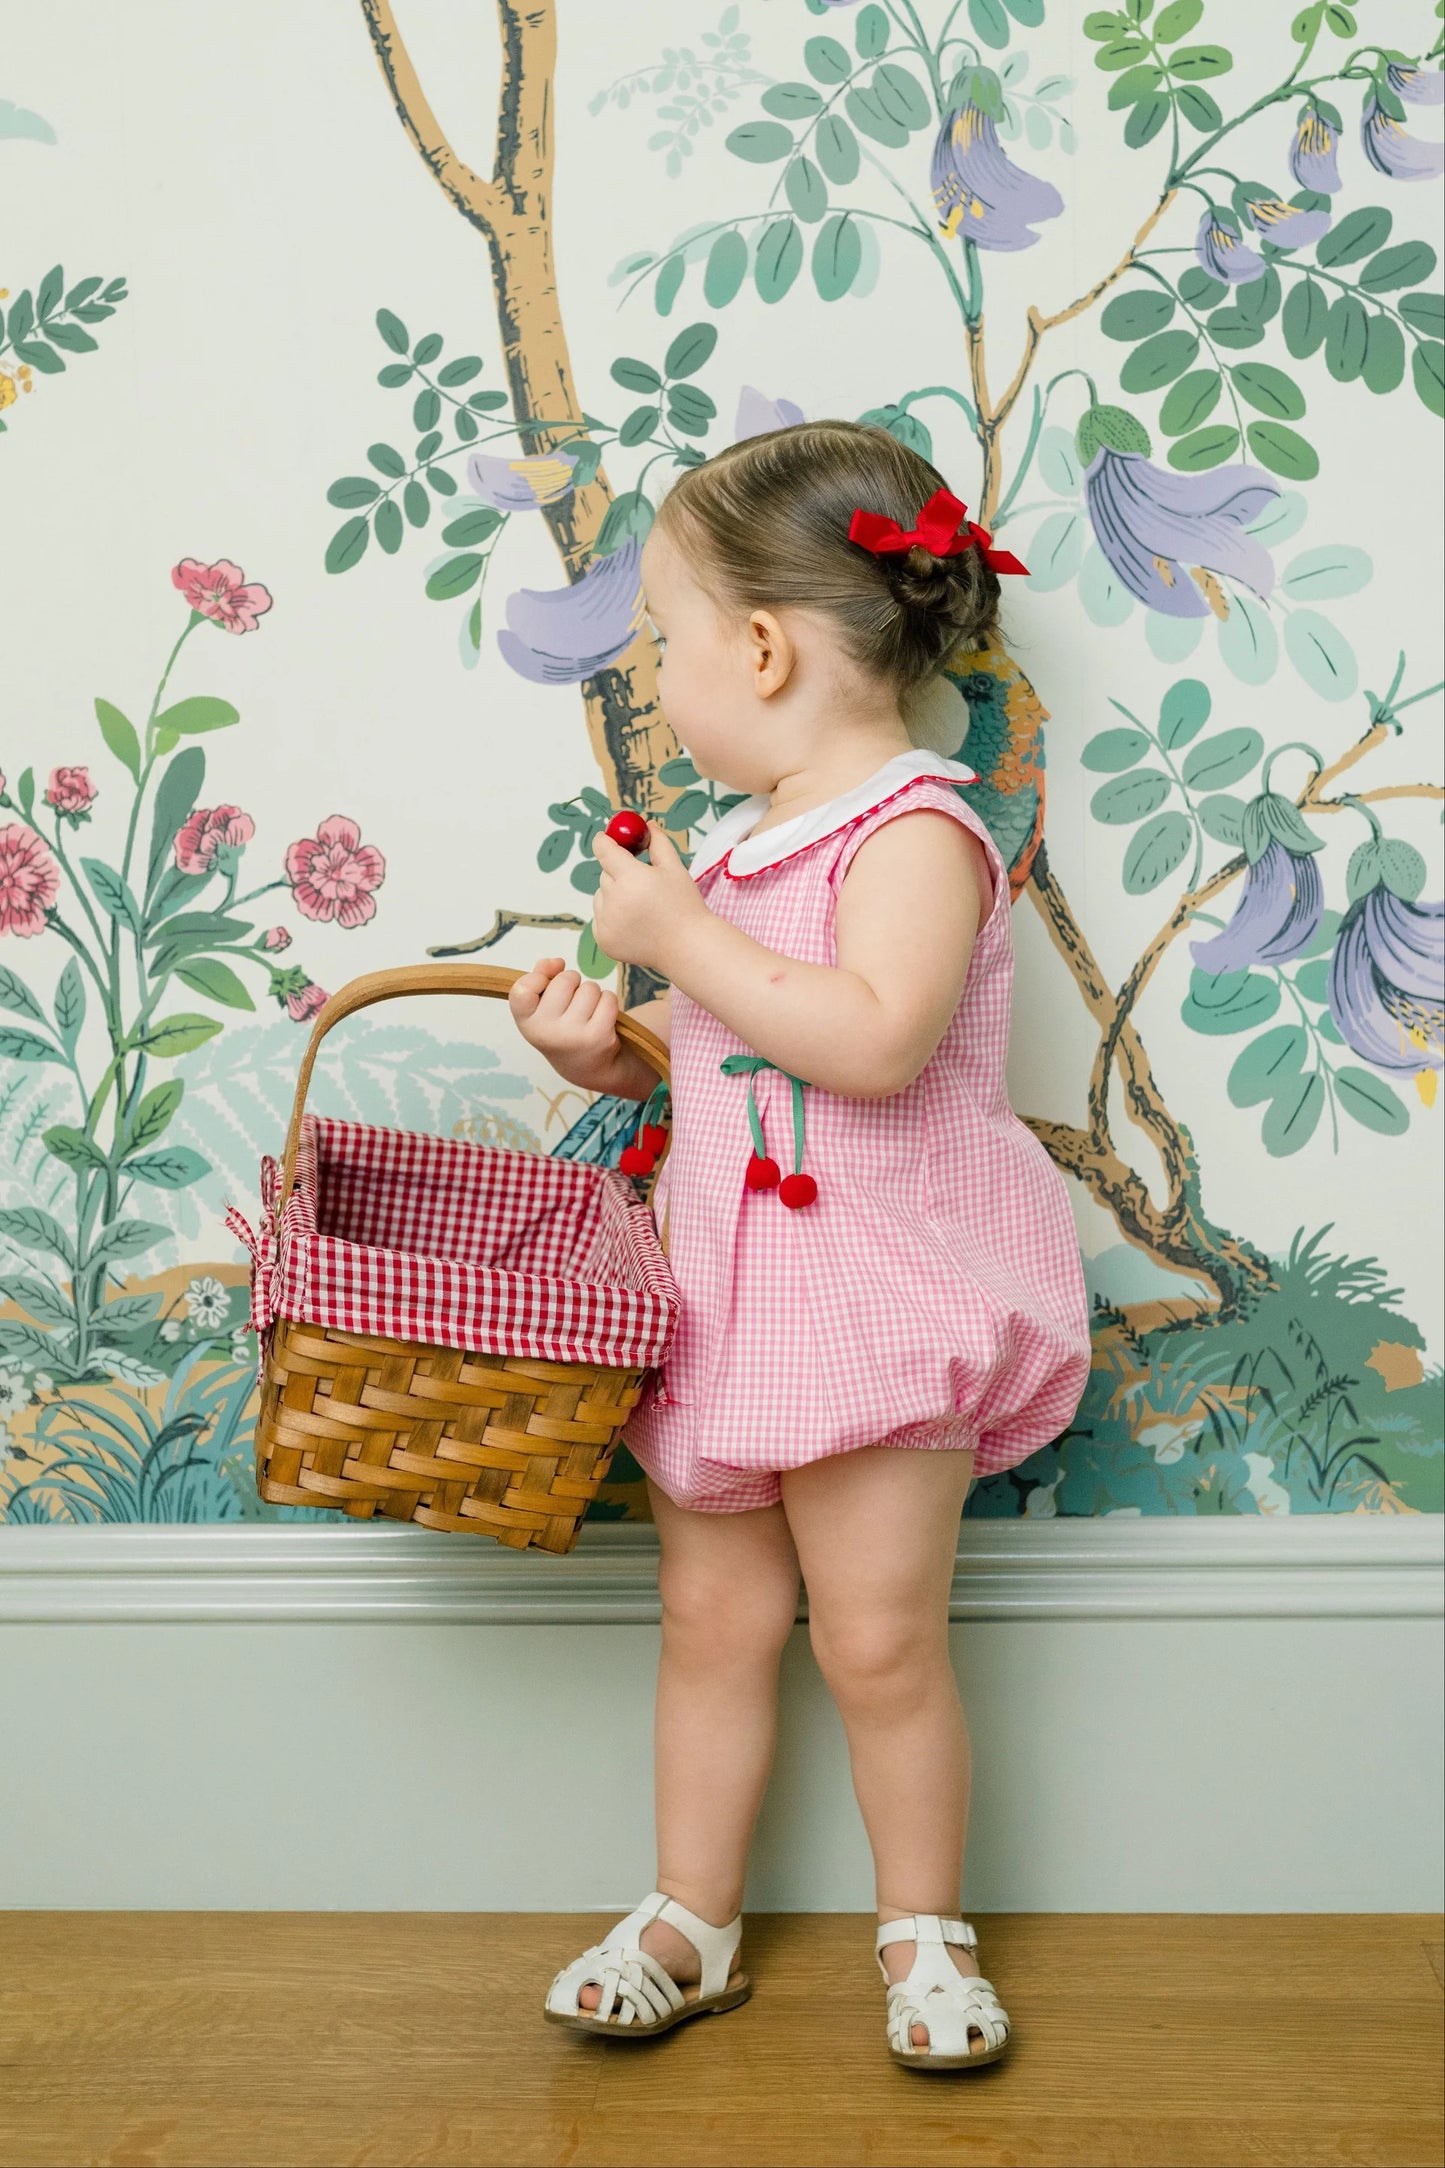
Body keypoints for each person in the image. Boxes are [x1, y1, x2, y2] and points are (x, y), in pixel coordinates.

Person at [509, 419, 1090, 2070]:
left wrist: (679, 930)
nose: (661, 683)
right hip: (737, 1301)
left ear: (759, 649)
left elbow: (875, 1041)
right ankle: (693, 1910)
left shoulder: (915, 831)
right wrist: (617, 1053)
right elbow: (743, 1071)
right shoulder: (753, 839)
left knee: (880, 1637)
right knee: (708, 1621)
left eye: (666, 645)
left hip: (872, 1299)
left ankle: (923, 1928)